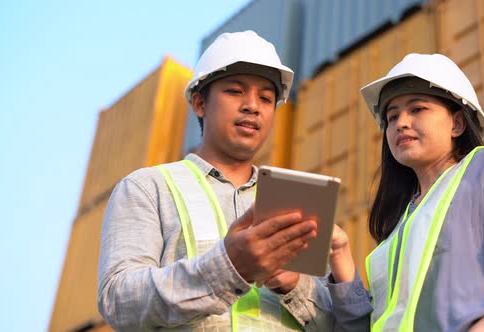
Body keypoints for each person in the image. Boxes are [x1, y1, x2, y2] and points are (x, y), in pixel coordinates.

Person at [97, 30, 336, 331]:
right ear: (199, 104)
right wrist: (228, 267)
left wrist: (294, 285)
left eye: (266, 97)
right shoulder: (148, 187)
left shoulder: (298, 202)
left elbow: (337, 323)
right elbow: (118, 300)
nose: (253, 105)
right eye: (235, 91)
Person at [330, 53, 484, 331]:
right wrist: (340, 254)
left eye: (417, 109)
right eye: (392, 116)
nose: (401, 123)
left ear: (457, 123)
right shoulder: (397, 230)